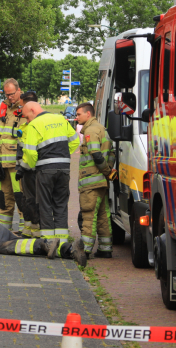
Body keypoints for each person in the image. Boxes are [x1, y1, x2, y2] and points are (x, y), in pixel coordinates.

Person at [20, 101, 80, 253]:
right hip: (64, 168)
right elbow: (75, 141)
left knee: (45, 205)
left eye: (27, 117)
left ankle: (48, 244)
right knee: (60, 205)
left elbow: (31, 152)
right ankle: (62, 246)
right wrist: (64, 156)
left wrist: (33, 165)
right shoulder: (61, 119)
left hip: (45, 170)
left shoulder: (34, 125)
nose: (27, 121)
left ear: (33, 110)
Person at [75, 102, 114, 258]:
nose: (76, 117)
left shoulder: (90, 130)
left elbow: (96, 154)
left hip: (90, 181)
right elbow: (111, 154)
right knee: (103, 216)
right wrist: (108, 172)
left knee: (89, 215)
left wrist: (104, 170)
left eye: (78, 114)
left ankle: (84, 250)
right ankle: (105, 249)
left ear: (88, 114)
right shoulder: (102, 129)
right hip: (102, 183)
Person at [0, 78, 25, 233]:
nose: (9, 97)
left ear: (18, 90)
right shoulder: (4, 106)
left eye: (12, 94)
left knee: (21, 197)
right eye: (7, 94)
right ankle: (3, 232)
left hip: (18, 164)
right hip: (3, 161)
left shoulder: (26, 107)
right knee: (4, 198)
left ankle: (26, 231)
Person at [16, 91, 40, 238]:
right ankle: (28, 229)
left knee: (33, 199)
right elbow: (21, 148)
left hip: (33, 169)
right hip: (25, 168)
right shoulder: (25, 125)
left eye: (22, 107)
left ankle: (36, 231)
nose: (21, 111)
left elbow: (32, 151)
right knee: (26, 199)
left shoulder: (35, 125)